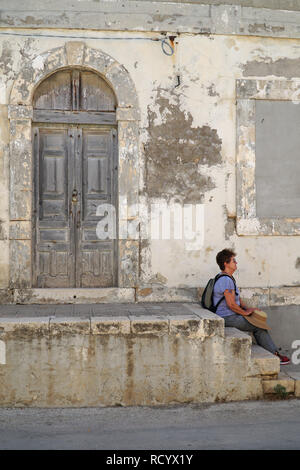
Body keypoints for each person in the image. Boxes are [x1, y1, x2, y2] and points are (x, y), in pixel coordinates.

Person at [213, 248, 290, 365]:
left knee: (258, 322)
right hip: (227, 317)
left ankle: (272, 353)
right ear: (226, 263)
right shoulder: (225, 280)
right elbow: (231, 304)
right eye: (234, 261)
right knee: (258, 326)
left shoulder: (225, 277)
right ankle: (275, 356)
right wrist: (245, 313)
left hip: (230, 315)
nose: (236, 263)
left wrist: (249, 309)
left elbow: (237, 300)